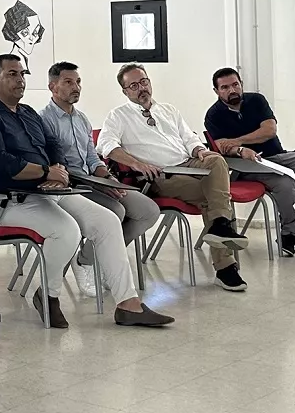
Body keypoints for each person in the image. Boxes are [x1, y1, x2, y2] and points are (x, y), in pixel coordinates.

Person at [0, 55, 170, 329]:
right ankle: (48, 295)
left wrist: (57, 169)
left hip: (51, 191)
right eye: (12, 74)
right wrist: (44, 173)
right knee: (68, 230)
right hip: (11, 201)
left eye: (22, 74)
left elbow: (51, 145)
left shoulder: (27, 113)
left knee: (109, 221)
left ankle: (128, 304)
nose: (20, 80)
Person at [97, 65, 251, 292]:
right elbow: (106, 146)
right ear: (125, 91)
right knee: (215, 196)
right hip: (160, 175)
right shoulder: (118, 116)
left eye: (144, 82)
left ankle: (219, 225)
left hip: (189, 163)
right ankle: (225, 266)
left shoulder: (168, 109)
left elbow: (189, 138)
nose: (141, 88)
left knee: (217, 160)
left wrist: (200, 151)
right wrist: (137, 163)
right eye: (134, 85)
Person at [204, 67, 295, 256]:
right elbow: (222, 147)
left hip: (279, 156)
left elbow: (270, 130)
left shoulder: (256, 100)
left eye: (235, 85)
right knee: (285, 184)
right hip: (247, 165)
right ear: (216, 92)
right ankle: (292, 232)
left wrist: (238, 140)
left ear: (241, 84)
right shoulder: (213, 115)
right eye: (224, 87)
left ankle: (291, 231)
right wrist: (240, 149)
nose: (232, 90)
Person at [40, 61, 161, 248]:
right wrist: (97, 185)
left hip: (93, 180)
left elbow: (92, 158)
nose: (76, 87)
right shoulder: (44, 120)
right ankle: (97, 260)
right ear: (52, 87)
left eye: (78, 82)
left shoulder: (82, 119)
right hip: (71, 185)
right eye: (69, 82)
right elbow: (55, 165)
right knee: (116, 211)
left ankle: (94, 257)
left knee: (149, 210)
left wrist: (108, 178)